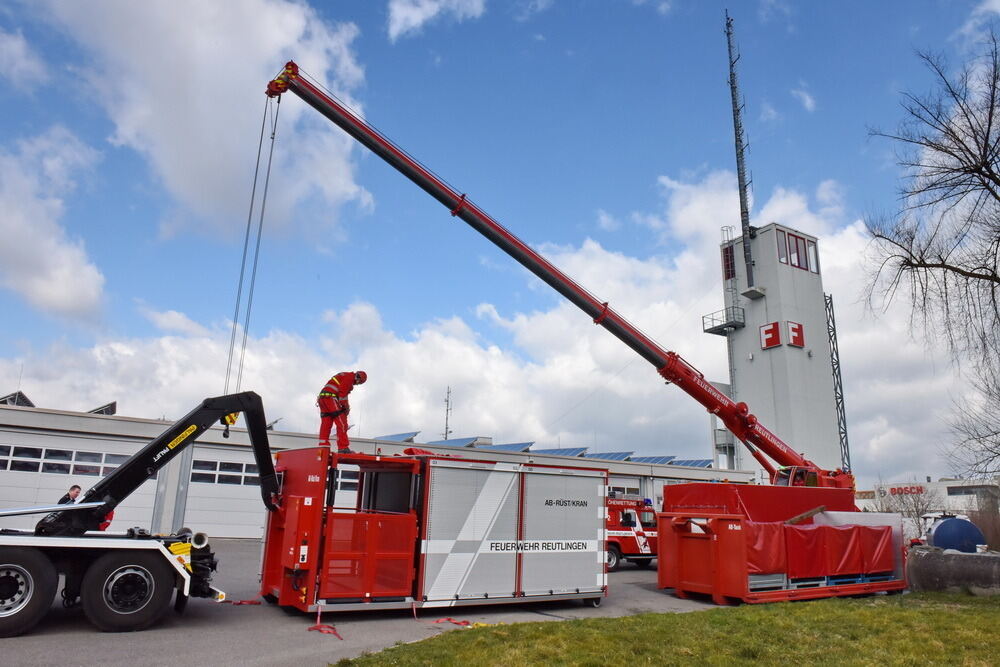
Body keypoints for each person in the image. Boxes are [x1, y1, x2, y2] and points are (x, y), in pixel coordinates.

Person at [317, 370, 367, 454]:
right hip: (330, 398)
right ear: (359, 379)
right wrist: (345, 408)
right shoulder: (349, 378)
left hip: (322, 399)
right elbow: (342, 395)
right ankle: (343, 448)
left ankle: (323, 446)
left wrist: (345, 406)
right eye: (359, 382)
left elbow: (342, 394)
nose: (357, 384)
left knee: (326, 423)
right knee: (342, 423)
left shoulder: (345, 376)